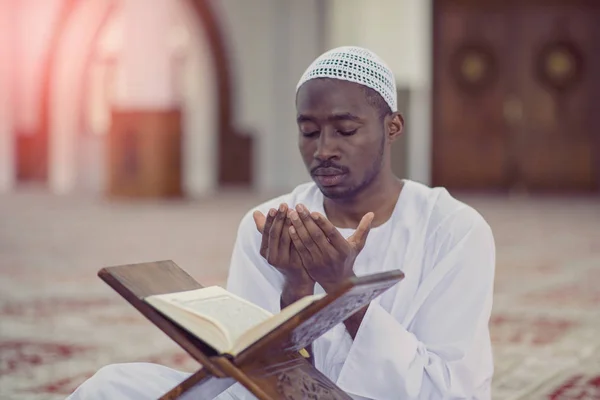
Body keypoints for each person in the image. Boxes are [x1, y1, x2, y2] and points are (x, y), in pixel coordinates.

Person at [67, 46, 496, 400]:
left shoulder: (453, 230)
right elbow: (256, 374)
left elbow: (445, 389)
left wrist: (342, 290)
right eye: (309, 132)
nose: (323, 149)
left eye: (345, 131)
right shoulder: (271, 225)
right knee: (112, 387)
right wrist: (296, 292)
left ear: (393, 127)